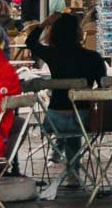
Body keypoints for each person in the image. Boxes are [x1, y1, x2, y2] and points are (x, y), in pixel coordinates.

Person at [26, 10, 107, 190]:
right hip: (84, 119)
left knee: (67, 127)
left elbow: (30, 42)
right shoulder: (93, 58)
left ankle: (60, 157)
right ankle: (73, 174)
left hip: (55, 119)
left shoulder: (52, 54)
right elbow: (103, 87)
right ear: (78, 32)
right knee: (76, 125)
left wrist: (44, 23)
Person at [0, 23, 22, 165]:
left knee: (17, 123)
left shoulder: (4, 70)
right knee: (19, 123)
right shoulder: (6, 69)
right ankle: (5, 166)